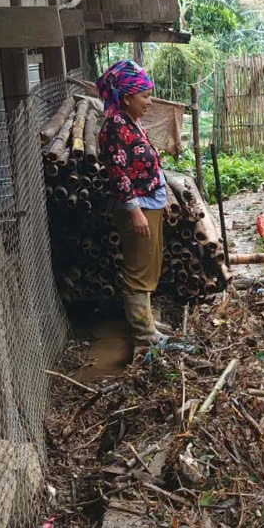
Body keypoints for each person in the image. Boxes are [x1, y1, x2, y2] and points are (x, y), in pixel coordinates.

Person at [97, 60, 171, 347]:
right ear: (127, 97)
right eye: (145, 96)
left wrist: (160, 195)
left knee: (150, 262)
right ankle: (144, 333)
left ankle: (148, 319)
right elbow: (119, 173)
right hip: (137, 205)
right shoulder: (115, 127)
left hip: (150, 200)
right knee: (139, 268)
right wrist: (136, 212)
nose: (149, 102)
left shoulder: (132, 122)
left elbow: (148, 162)